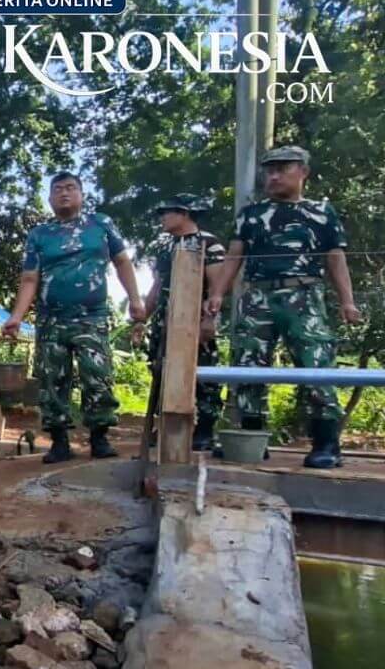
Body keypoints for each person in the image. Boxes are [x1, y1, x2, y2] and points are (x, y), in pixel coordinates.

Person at [205, 145, 361, 469]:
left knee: (315, 366)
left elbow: (336, 258)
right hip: (257, 296)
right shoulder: (251, 214)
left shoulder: (321, 212)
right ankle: (251, 440)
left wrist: (347, 301)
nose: (273, 176)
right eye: (269, 170)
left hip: (304, 295)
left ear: (303, 172)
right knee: (247, 365)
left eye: (282, 169)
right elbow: (234, 256)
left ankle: (326, 444)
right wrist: (218, 294)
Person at [2, 171, 146, 464]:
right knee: (53, 380)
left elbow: (121, 261)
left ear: (81, 194)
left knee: (97, 375)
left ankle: (99, 437)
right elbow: (30, 278)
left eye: (70, 188)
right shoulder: (40, 234)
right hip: (51, 319)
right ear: (50, 198)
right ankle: (59, 442)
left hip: (92, 316)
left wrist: (135, 299)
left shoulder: (100, 224)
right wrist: (16, 317)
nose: (64, 193)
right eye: (58, 190)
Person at [134, 194, 227, 451]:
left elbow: (218, 284)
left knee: (203, 376)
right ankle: (167, 426)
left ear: (185, 213)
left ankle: (205, 429)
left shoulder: (209, 243)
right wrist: (142, 319)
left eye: (167, 212)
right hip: (165, 323)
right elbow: (157, 285)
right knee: (161, 371)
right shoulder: (165, 247)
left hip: (195, 322)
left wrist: (210, 319)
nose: (163, 217)